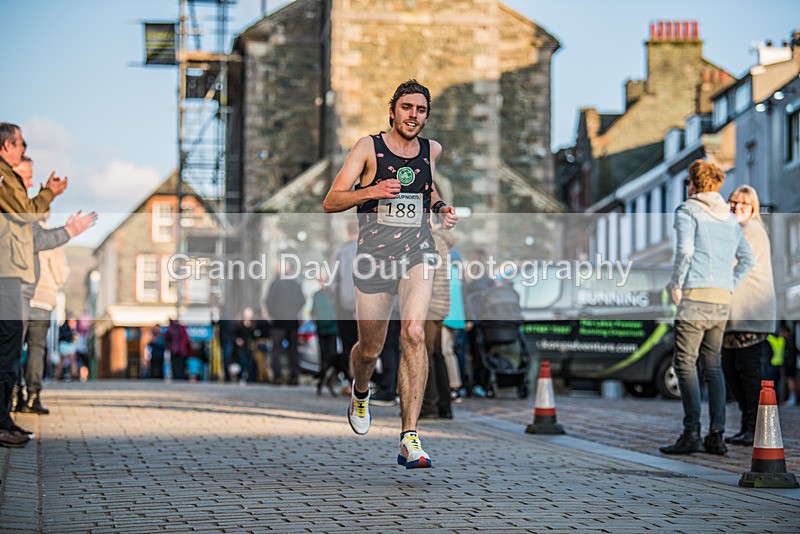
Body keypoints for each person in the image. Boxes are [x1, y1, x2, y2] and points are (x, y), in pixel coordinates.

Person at [322, 80, 458, 469]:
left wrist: (441, 208)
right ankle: (360, 390)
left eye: (421, 109)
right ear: (393, 110)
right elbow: (331, 201)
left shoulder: (431, 150)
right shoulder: (369, 147)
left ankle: (409, 437)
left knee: (414, 332)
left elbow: (427, 191)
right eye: (407, 107)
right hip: (374, 257)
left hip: (417, 251)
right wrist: (372, 191)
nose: (414, 115)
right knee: (370, 349)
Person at [660, 160, 754, 456]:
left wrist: (676, 283)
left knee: (685, 364)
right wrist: (728, 284)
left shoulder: (688, 211)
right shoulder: (728, 217)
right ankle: (717, 434)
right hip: (720, 300)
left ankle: (691, 433)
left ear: (693, 184)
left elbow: (685, 250)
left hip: (695, 296)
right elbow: (747, 259)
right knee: (712, 365)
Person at [0, 123, 67, 447]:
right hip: (10, 276)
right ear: (6, 147)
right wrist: (49, 194)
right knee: (14, 350)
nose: (24, 148)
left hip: (17, 277)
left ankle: (6, 418)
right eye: (21, 143)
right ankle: (4, 420)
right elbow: (27, 218)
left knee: (13, 351)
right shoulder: (3, 178)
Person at [721, 185, 776, 447]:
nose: (737, 208)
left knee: (746, 371)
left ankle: (754, 427)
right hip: (736, 316)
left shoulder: (752, 231)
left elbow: (733, 263)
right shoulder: (737, 229)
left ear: (753, 208)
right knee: (733, 371)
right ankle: (747, 424)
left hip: (750, 314)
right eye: (733, 202)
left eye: (744, 204)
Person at [420, 225, 453, 419]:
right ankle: (444, 405)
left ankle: (428, 404)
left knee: (426, 355)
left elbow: (428, 275)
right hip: (438, 304)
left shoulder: (430, 240)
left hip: (429, 304)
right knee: (437, 354)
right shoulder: (438, 240)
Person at [265, 262, 306, 385]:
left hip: (278, 322)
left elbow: (268, 301)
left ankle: (277, 376)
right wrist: (294, 312)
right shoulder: (295, 284)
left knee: (276, 350)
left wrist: (274, 314)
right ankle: (294, 376)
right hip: (292, 322)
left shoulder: (275, 284)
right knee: (293, 350)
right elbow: (302, 301)